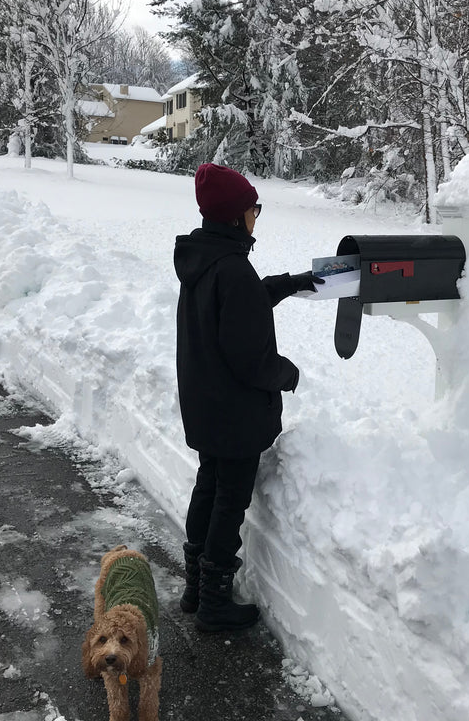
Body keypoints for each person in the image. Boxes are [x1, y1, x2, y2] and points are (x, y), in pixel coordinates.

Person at [173, 163, 321, 632]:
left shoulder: (205, 258)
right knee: (229, 500)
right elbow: (251, 358)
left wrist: (288, 283)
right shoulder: (232, 268)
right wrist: (287, 373)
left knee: (208, 487)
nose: (257, 214)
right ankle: (215, 604)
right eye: (253, 207)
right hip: (234, 414)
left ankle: (196, 589)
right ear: (236, 215)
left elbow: (238, 306)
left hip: (207, 404)